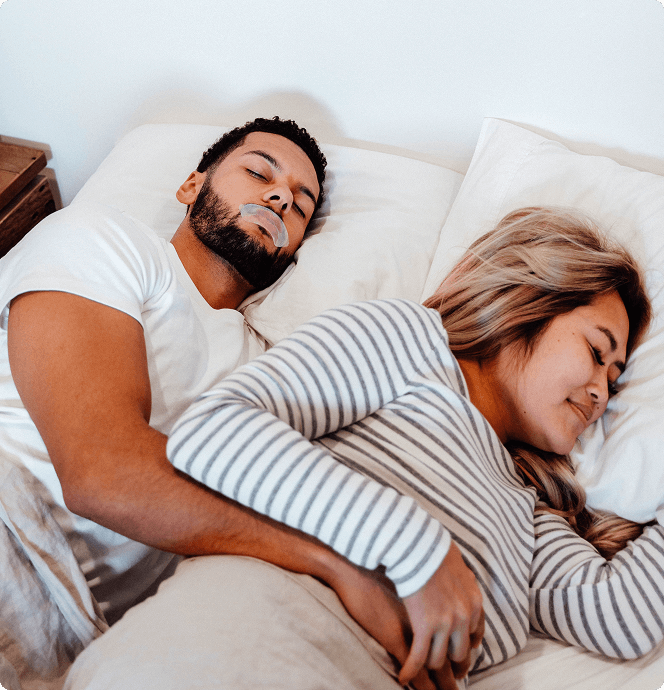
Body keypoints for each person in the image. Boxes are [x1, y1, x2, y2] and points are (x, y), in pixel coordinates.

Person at [1, 115, 481, 690]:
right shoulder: (106, 240)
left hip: (70, 638)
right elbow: (101, 473)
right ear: (191, 186)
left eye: (301, 204)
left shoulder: (270, 373)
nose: (281, 198)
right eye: (259, 173)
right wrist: (332, 562)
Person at [166, 206, 663, 685]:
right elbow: (212, 429)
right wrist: (418, 548)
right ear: (528, 302)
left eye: (614, 379)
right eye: (596, 352)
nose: (601, 394)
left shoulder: (526, 507)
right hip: (258, 634)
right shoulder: (410, 342)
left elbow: (622, 615)